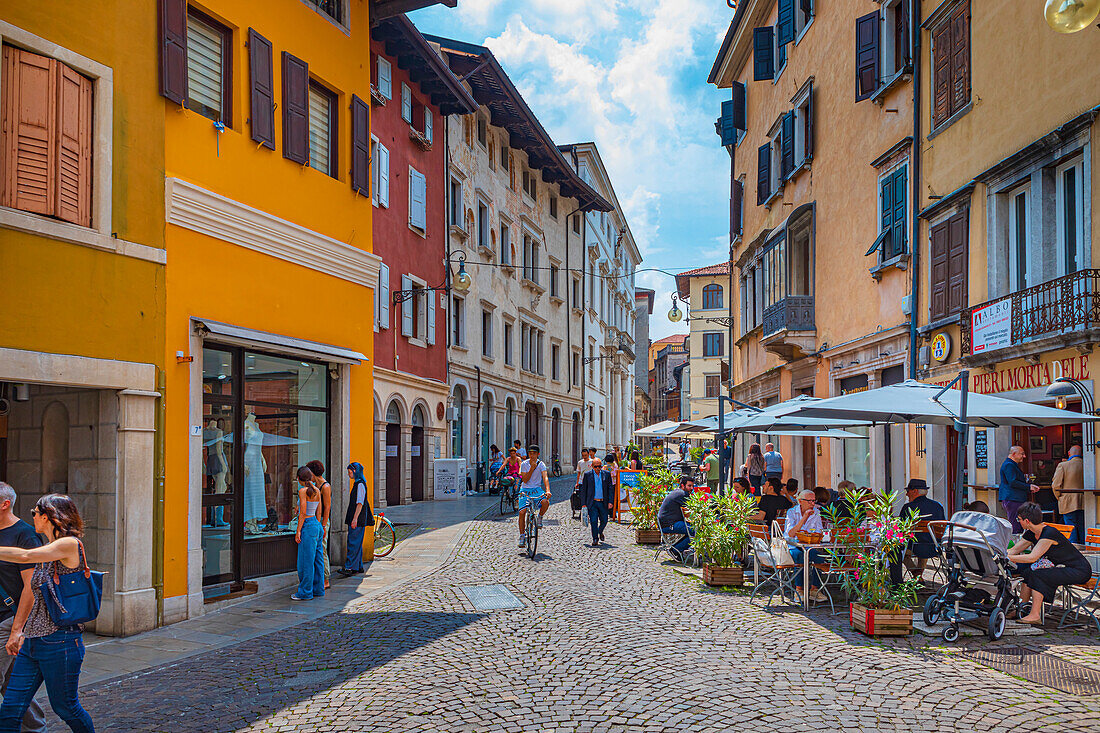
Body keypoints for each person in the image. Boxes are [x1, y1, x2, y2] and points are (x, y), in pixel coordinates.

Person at [0, 494, 95, 732]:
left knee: (66, 707)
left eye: (35, 512)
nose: (32, 516)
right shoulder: (47, 548)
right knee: (11, 709)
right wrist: (19, 631)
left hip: (60, 641)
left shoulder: (68, 545)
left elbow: (24, 556)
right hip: (32, 643)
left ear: (48, 516)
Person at [0, 484, 44, 733]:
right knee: (12, 684)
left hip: (8, 619)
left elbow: (31, 587)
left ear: (4, 504)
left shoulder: (25, 535)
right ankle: (35, 729)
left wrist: (18, 628)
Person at [1008, 502, 1092, 624]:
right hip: (1060, 567)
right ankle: (1021, 609)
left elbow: (1032, 557)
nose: (1018, 521)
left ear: (1027, 521)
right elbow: (1014, 550)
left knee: (1038, 575)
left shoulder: (1049, 534)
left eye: (1019, 519)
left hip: (1078, 570)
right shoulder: (1032, 532)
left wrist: (1008, 557)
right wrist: (998, 552)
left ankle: (1035, 615)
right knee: (1028, 572)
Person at [894, 479, 945, 583]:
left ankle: (916, 574)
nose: (907, 494)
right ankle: (918, 575)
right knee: (926, 538)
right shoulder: (938, 506)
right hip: (934, 547)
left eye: (908, 491)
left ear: (915, 491)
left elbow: (900, 530)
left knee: (896, 550)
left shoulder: (908, 508)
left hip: (914, 547)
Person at [785, 490, 826, 602]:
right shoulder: (792, 512)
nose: (813, 504)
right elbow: (791, 534)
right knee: (800, 556)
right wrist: (804, 518)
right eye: (810, 501)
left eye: (814, 501)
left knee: (819, 557)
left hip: (809, 544)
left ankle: (814, 590)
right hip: (793, 544)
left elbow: (819, 531)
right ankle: (799, 590)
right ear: (800, 501)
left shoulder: (816, 512)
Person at [291, 467, 325, 601]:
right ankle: (318, 589)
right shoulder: (317, 490)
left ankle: (305, 592)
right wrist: (319, 526)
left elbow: (303, 514)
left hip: (308, 525)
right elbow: (319, 512)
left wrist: (298, 530)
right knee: (318, 560)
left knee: (306, 561)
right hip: (316, 524)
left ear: (299, 478)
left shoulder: (302, 491)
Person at [339, 462, 370, 577]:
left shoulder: (360, 485)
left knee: (353, 542)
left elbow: (360, 503)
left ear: (355, 471)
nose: (348, 474)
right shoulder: (358, 484)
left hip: (357, 519)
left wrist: (355, 519)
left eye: (350, 471)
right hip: (357, 518)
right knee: (356, 542)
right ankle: (358, 566)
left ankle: (349, 567)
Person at [306, 460, 332, 590]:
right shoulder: (315, 484)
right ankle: (319, 577)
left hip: (322, 521)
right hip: (315, 520)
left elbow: (327, 508)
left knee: (322, 550)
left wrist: (323, 525)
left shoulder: (325, 486)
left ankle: (326, 579)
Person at [999, 445, 1039, 533]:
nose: (1024, 456)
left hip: (1013, 498)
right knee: (1015, 525)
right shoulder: (1009, 465)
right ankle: (1014, 545)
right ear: (1014, 454)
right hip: (1013, 498)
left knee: (1017, 524)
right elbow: (1013, 482)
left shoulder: (1011, 464)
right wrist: (1029, 487)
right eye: (1022, 454)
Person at [517, 445, 550, 548]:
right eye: (530, 453)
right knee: (522, 512)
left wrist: (548, 490)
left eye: (534, 453)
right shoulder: (524, 464)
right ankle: (522, 535)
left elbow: (545, 478)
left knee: (545, 502)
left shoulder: (541, 464)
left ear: (538, 454)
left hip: (537, 490)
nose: (532, 455)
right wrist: (532, 468)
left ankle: (540, 517)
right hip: (525, 490)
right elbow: (525, 480)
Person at [658, 475, 696, 561]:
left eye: (692, 486)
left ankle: (676, 549)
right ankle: (676, 550)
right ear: (683, 485)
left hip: (667, 523)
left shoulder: (677, 492)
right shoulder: (682, 494)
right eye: (689, 486)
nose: (691, 488)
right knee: (695, 531)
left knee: (692, 530)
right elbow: (693, 507)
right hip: (669, 525)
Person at [1052, 444, 1085, 544]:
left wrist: (1059, 497)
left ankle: (1073, 553)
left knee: (1071, 530)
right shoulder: (1087, 464)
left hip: (1068, 502)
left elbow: (1055, 485)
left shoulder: (1063, 465)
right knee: (1083, 529)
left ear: (1069, 453)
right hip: (1085, 502)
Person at [580, 458, 615, 547]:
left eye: (599, 466)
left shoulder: (606, 474)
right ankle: (595, 538)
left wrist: (611, 501)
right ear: (592, 466)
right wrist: (584, 503)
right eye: (596, 467)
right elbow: (584, 490)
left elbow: (610, 489)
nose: (598, 468)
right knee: (594, 521)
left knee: (604, 520)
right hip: (593, 502)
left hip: (603, 502)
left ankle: (600, 531)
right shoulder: (587, 475)